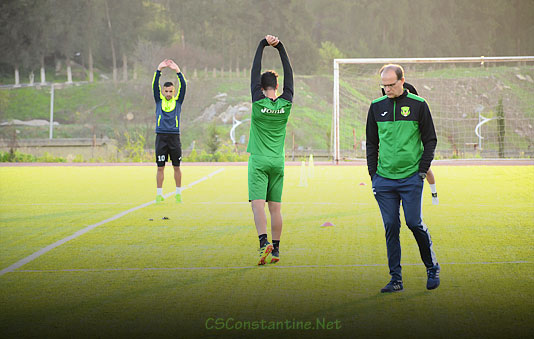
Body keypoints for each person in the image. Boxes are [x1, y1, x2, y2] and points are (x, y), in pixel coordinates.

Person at [366, 64, 440, 292]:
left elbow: (430, 140)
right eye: (384, 85)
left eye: (391, 84)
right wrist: (373, 174)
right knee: (390, 226)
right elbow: (371, 143)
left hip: (410, 178)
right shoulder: (376, 107)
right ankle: (396, 279)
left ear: (402, 81)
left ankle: (432, 267)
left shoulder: (419, 105)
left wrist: (421, 171)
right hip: (384, 180)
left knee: (413, 223)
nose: (387, 89)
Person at [248, 35, 293, 265]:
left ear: (261, 87)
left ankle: (263, 243)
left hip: (258, 161)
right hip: (278, 162)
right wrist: (280, 48)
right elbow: (290, 76)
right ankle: (275, 250)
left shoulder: (258, 102)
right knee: (275, 208)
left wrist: (261, 44)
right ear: (277, 86)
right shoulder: (286, 104)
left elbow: (253, 72)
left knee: (258, 205)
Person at [382, 82, 439, 205]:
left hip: (415, 148)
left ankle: (434, 193)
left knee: (426, 169)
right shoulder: (385, 103)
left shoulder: (416, 103)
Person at [152, 59, 186, 203]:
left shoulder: (177, 101)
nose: (168, 93)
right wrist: (159, 69)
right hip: (161, 137)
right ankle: (159, 194)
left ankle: (178, 193)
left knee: (176, 167)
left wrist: (177, 71)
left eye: (171, 91)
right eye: (166, 91)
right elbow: (154, 85)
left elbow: (184, 85)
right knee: (160, 167)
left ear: (174, 91)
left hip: (174, 137)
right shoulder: (159, 101)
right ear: (162, 91)